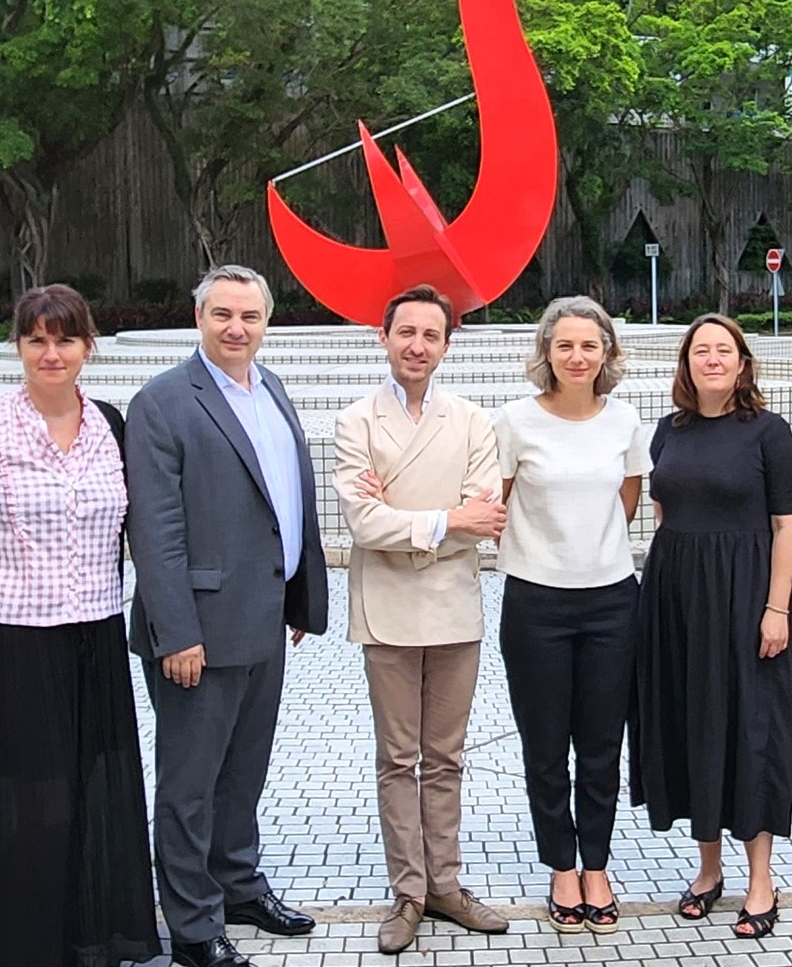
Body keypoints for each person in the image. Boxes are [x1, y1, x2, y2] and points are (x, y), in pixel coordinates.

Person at [0, 284, 162, 967]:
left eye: (65, 338)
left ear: (88, 345)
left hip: (94, 632)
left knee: (95, 786)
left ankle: (91, 934)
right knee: (31, 797)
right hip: (13, 639)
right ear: (18, 345)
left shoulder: (111, 425)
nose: (51, 353)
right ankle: (25, 944)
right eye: (37, 339)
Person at [127, 264, 330, 967]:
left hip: (263, 617)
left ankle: (238, 884)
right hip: (199, 633)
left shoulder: (268, 386)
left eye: (249, 315)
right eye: (222, 314)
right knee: (189, 784)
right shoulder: (162, 401)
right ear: (199, 318)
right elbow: (155, 531)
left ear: (266, 321)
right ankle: (192, 924)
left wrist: (299, 595)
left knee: (244, 770)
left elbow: (284, 503)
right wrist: (175, 630)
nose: (236, 327)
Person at [335, 284, 513, 955]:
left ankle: (447, 884)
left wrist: (410, 517)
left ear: (446, 343)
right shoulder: (357, 420)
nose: (417, 345)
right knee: (397, 757)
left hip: (453, 607)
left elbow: (485, 515)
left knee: (445, 758)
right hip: (385, 608)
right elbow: (362, 520)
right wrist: (446, 518)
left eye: (430, 334)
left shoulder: (472, 419)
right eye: (405, 331)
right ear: (384, 337)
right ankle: (407, 891)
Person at [633, 314, 792, 941]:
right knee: (692, 723)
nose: (711, 359)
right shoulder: (666, 430)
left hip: (746, 596)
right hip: (676, 596)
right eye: (700, 350)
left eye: (723, 350)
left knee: (753, 729)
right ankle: (709, 872)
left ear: (741, 363)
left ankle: (762, 880)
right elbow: (661, 508)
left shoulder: (768, 432)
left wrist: (775, 606)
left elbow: (787, 526)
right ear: (687, 363)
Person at [491, 295, 649, 933]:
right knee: (545, 744)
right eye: (566, 345)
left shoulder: (626, 421)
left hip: (613, 600)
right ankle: (561, 865)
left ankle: (598, 865)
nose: (578, 356)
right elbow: (496, 506)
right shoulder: (514, 422)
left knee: (602, 744)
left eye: (590, 345)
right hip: (535, 602)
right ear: (547, 354)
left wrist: (591, 554)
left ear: (607, 352)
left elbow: (629, 502)